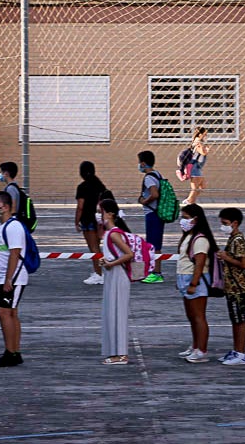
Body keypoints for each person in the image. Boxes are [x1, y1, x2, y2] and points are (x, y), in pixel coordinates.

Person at [0, 190, 28, 367]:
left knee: (5, 313)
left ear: (5, 207)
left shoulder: (14, 227)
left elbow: (15, 254)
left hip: (13, 278)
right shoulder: (0, 228)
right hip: (2, 276)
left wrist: (8, 279)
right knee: (10, 313)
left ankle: (11, 352)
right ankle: (12, 350)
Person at [175, 203, 216, 363]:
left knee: (199, 316)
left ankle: (202, 350)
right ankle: (195, 345)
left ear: (195, 219)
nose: (182, 221)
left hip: (194, 280)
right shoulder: (188, 236)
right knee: (191, 316)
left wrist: (194, 283)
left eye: (185, 218)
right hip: (184, 277)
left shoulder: (200, 239)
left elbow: (199, 263)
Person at [97, 198, 133, 365]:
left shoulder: (114, 233)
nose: (99, 215)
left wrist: (111, 263)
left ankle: (121, 354)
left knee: (118, 313)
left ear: (110, 213)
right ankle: (116, 352)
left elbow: (128, 254)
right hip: (113, 275)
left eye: (101, 212)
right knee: (112, 313)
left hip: (118, 275)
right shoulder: (110, 233)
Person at [216, 207, 245, 366]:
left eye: (225, 223)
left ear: (235, 223)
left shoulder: (238, 240)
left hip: (238, 287)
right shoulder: (233, 238)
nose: (222, 226)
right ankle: (236, 350)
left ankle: (241, 352)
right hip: (231, 286)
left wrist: (226, 258)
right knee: (235, 319)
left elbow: (243, 264)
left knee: (240, 320)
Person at [76, 161, 109, 286]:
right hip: (99, 220)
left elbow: (80, 207)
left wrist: (76, 221)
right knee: (98, 247)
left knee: (93, 248)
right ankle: (102, 271)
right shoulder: (99, 185)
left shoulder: (82, 187)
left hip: (87, 220)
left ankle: (99, 273)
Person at [137, 150, 166, 284]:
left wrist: (144, 201)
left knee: (153, 244)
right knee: (156, 244)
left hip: (152, 213)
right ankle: (155, 271)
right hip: (158, 213)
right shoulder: (158, 174)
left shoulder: (149, 177)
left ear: (143, 163)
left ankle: (156, 273)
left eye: (139, 163)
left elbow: (154, 194)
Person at [182, 127, 210, 206]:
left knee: (202, 186)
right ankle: (189, 202)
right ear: (200, 134)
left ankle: (190, 200)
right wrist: (206, 148)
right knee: (195, 188)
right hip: (195, 166)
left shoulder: (201, 142)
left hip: (198, 167)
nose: (206, 136)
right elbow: (203, 152)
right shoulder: (198, 142)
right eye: (205, 134)